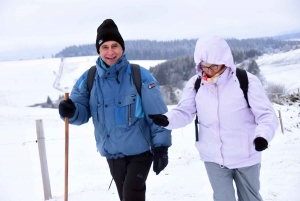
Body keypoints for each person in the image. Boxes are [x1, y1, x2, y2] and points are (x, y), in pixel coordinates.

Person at [149, 36, 278, 201]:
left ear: (226, 62)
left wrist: (262, 136)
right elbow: (184, 111)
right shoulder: (196, 84)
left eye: (213, 66)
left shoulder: (246, 81)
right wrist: (167, 120)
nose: (208, 71)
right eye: (204, 66)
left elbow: (266, 114)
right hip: (213, 157)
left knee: (250, 198)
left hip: (245, 154)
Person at [58, 19, 171, 201]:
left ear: (122, 48)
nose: (110, 52)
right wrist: (70, 111)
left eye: (115, 46)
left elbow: (158, 115)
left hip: (141, 152)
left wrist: (162, 147)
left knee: (131, 195)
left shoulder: (139, 75)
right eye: (105, 47)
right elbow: (80, 112)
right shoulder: (89, 78)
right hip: (112, 154)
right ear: (99, 50)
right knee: (125, 197)